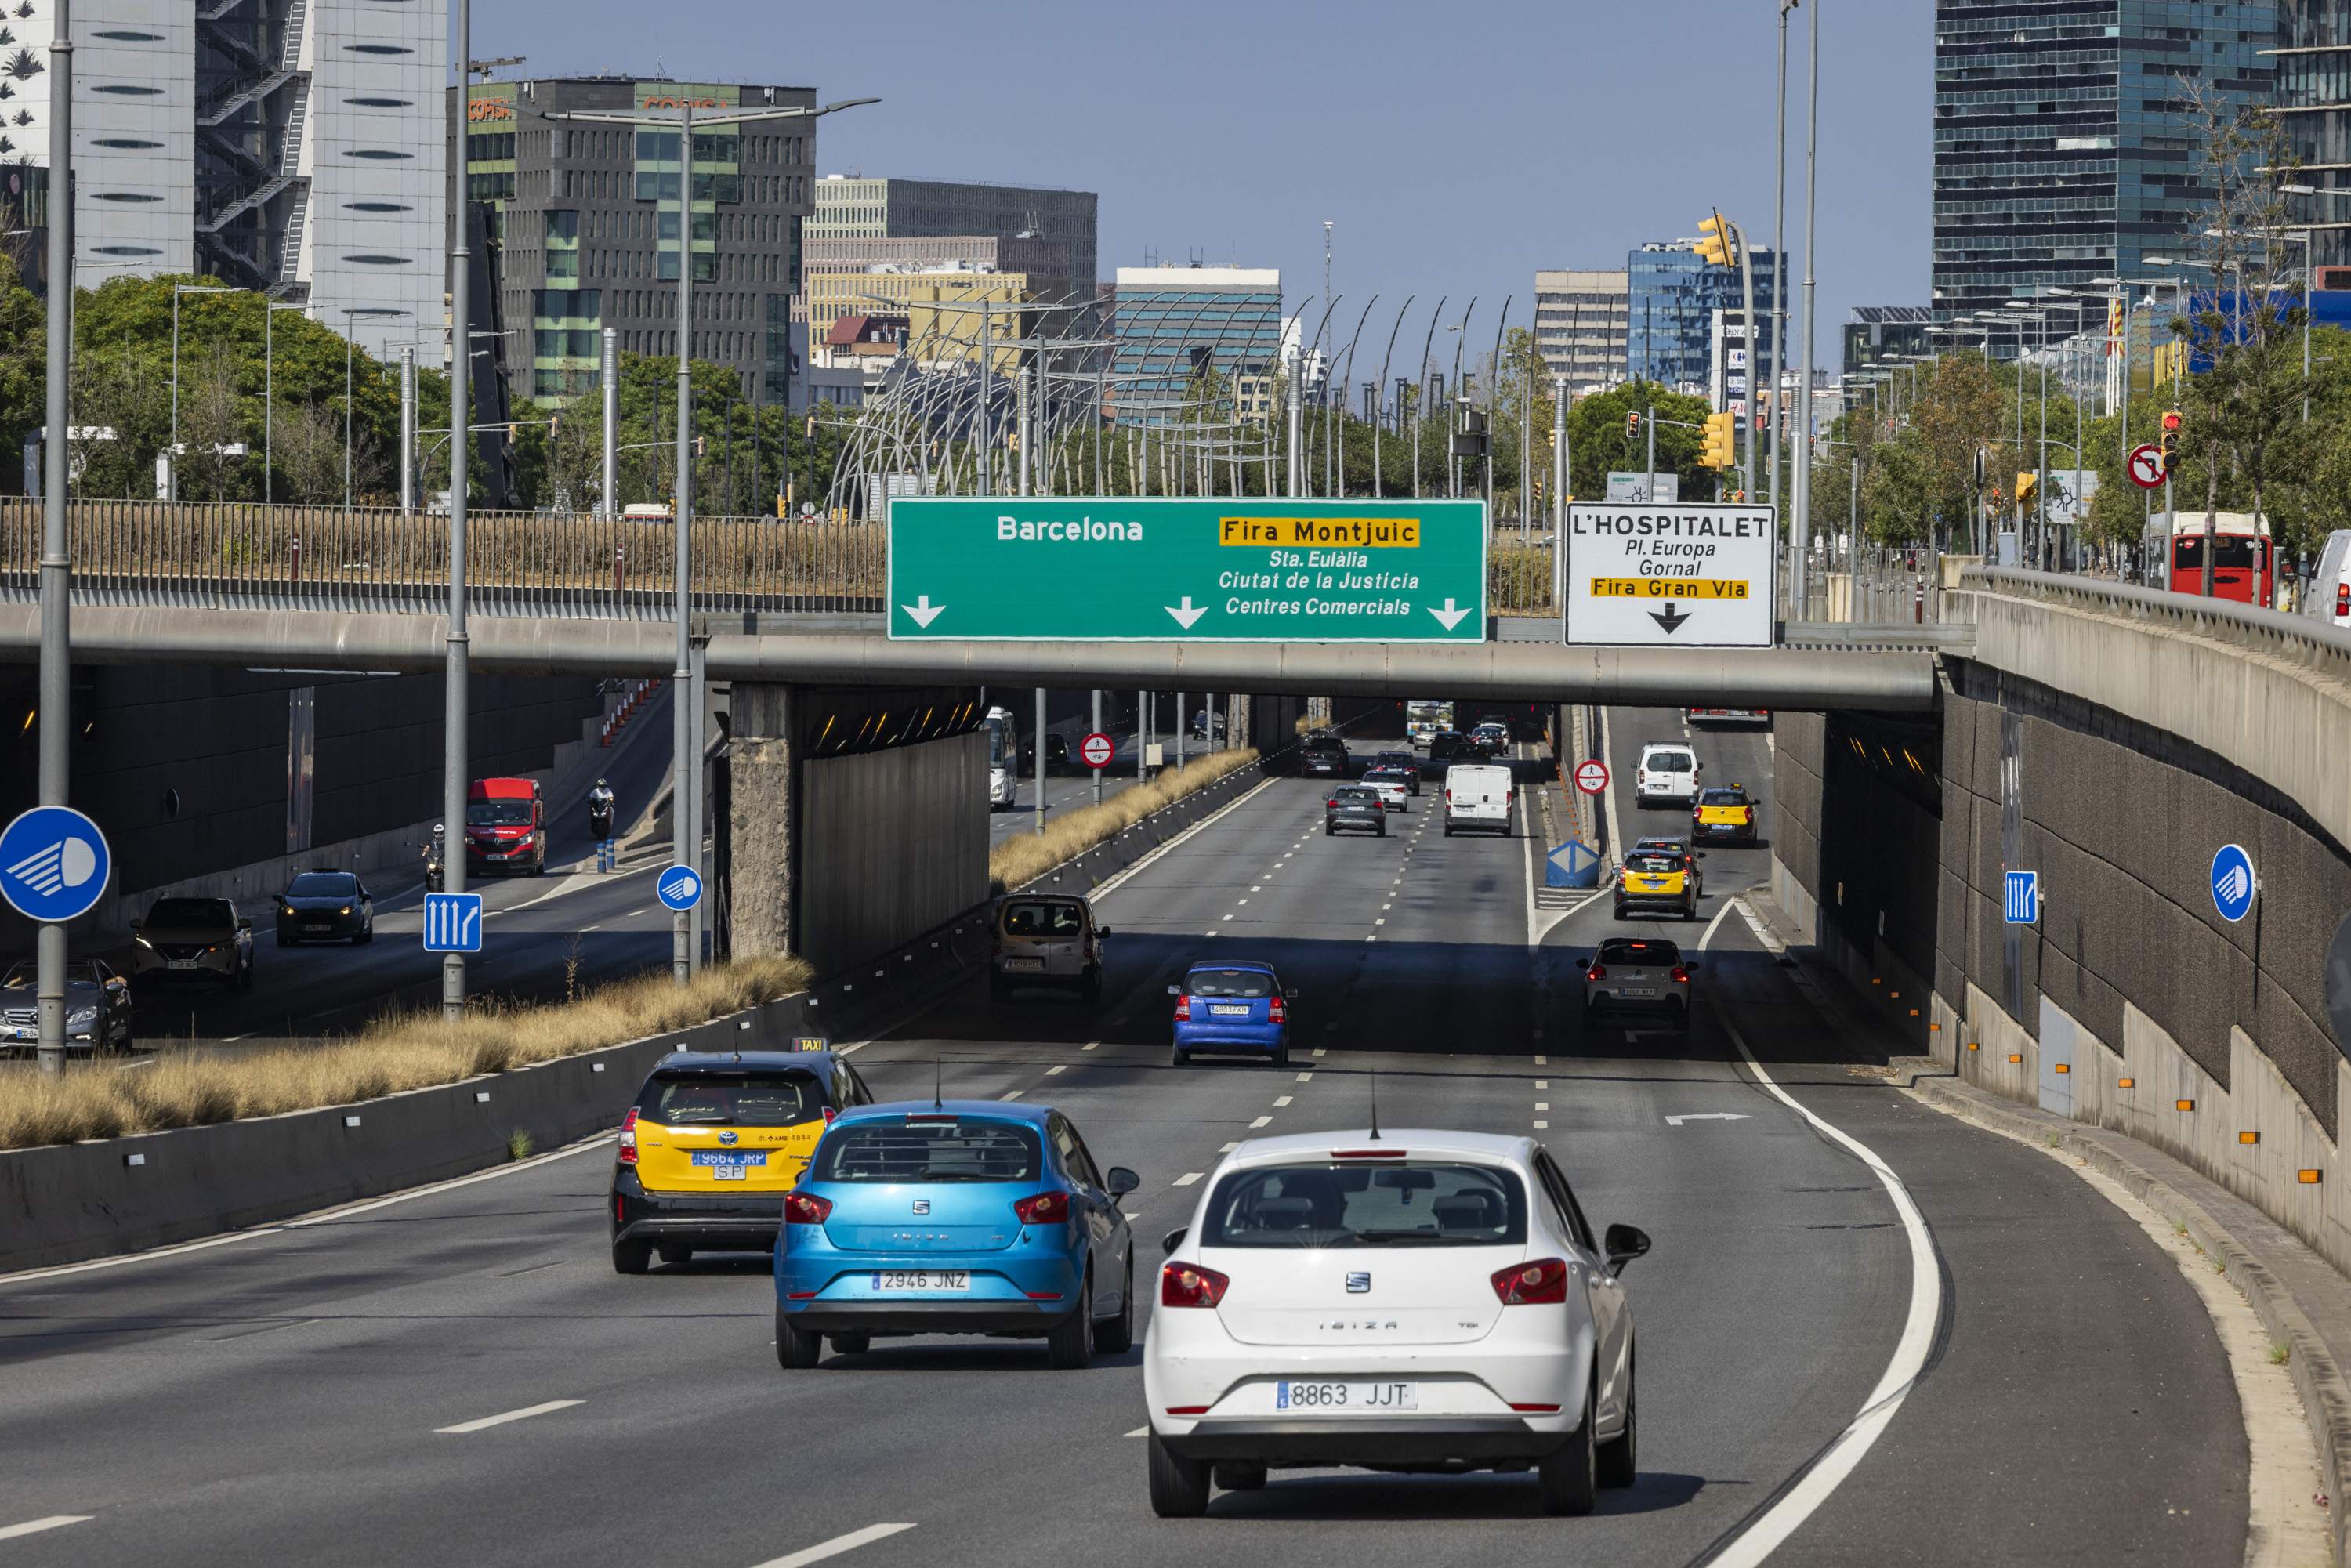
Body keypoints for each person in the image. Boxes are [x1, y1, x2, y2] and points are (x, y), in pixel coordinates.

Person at [588, 778, 615, 842]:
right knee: (591, 809)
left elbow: (611, 797)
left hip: (605, 806)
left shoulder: (608, 790)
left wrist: (611, 801)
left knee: (612, 811)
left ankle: (610, 824)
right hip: (597, 807)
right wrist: (590, 801)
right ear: (597, 785)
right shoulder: (595, 791)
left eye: (603, 786)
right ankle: (592, 823)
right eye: (600, 786)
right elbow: (591, 797)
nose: (602, 787)